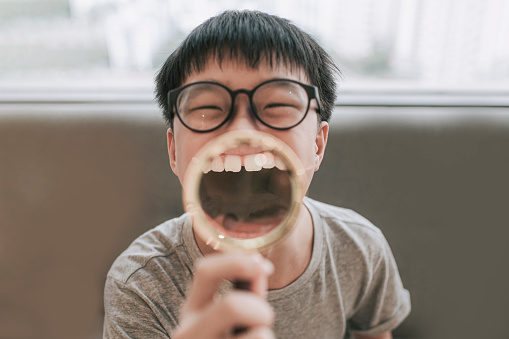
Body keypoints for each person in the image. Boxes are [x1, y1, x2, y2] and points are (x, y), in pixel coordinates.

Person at [103, 10, 410, 339]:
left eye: (277, 105)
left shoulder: (361, 248)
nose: (242, 129)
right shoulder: (138, 283)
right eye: (208, 108)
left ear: (318, 145)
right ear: (174, 152)